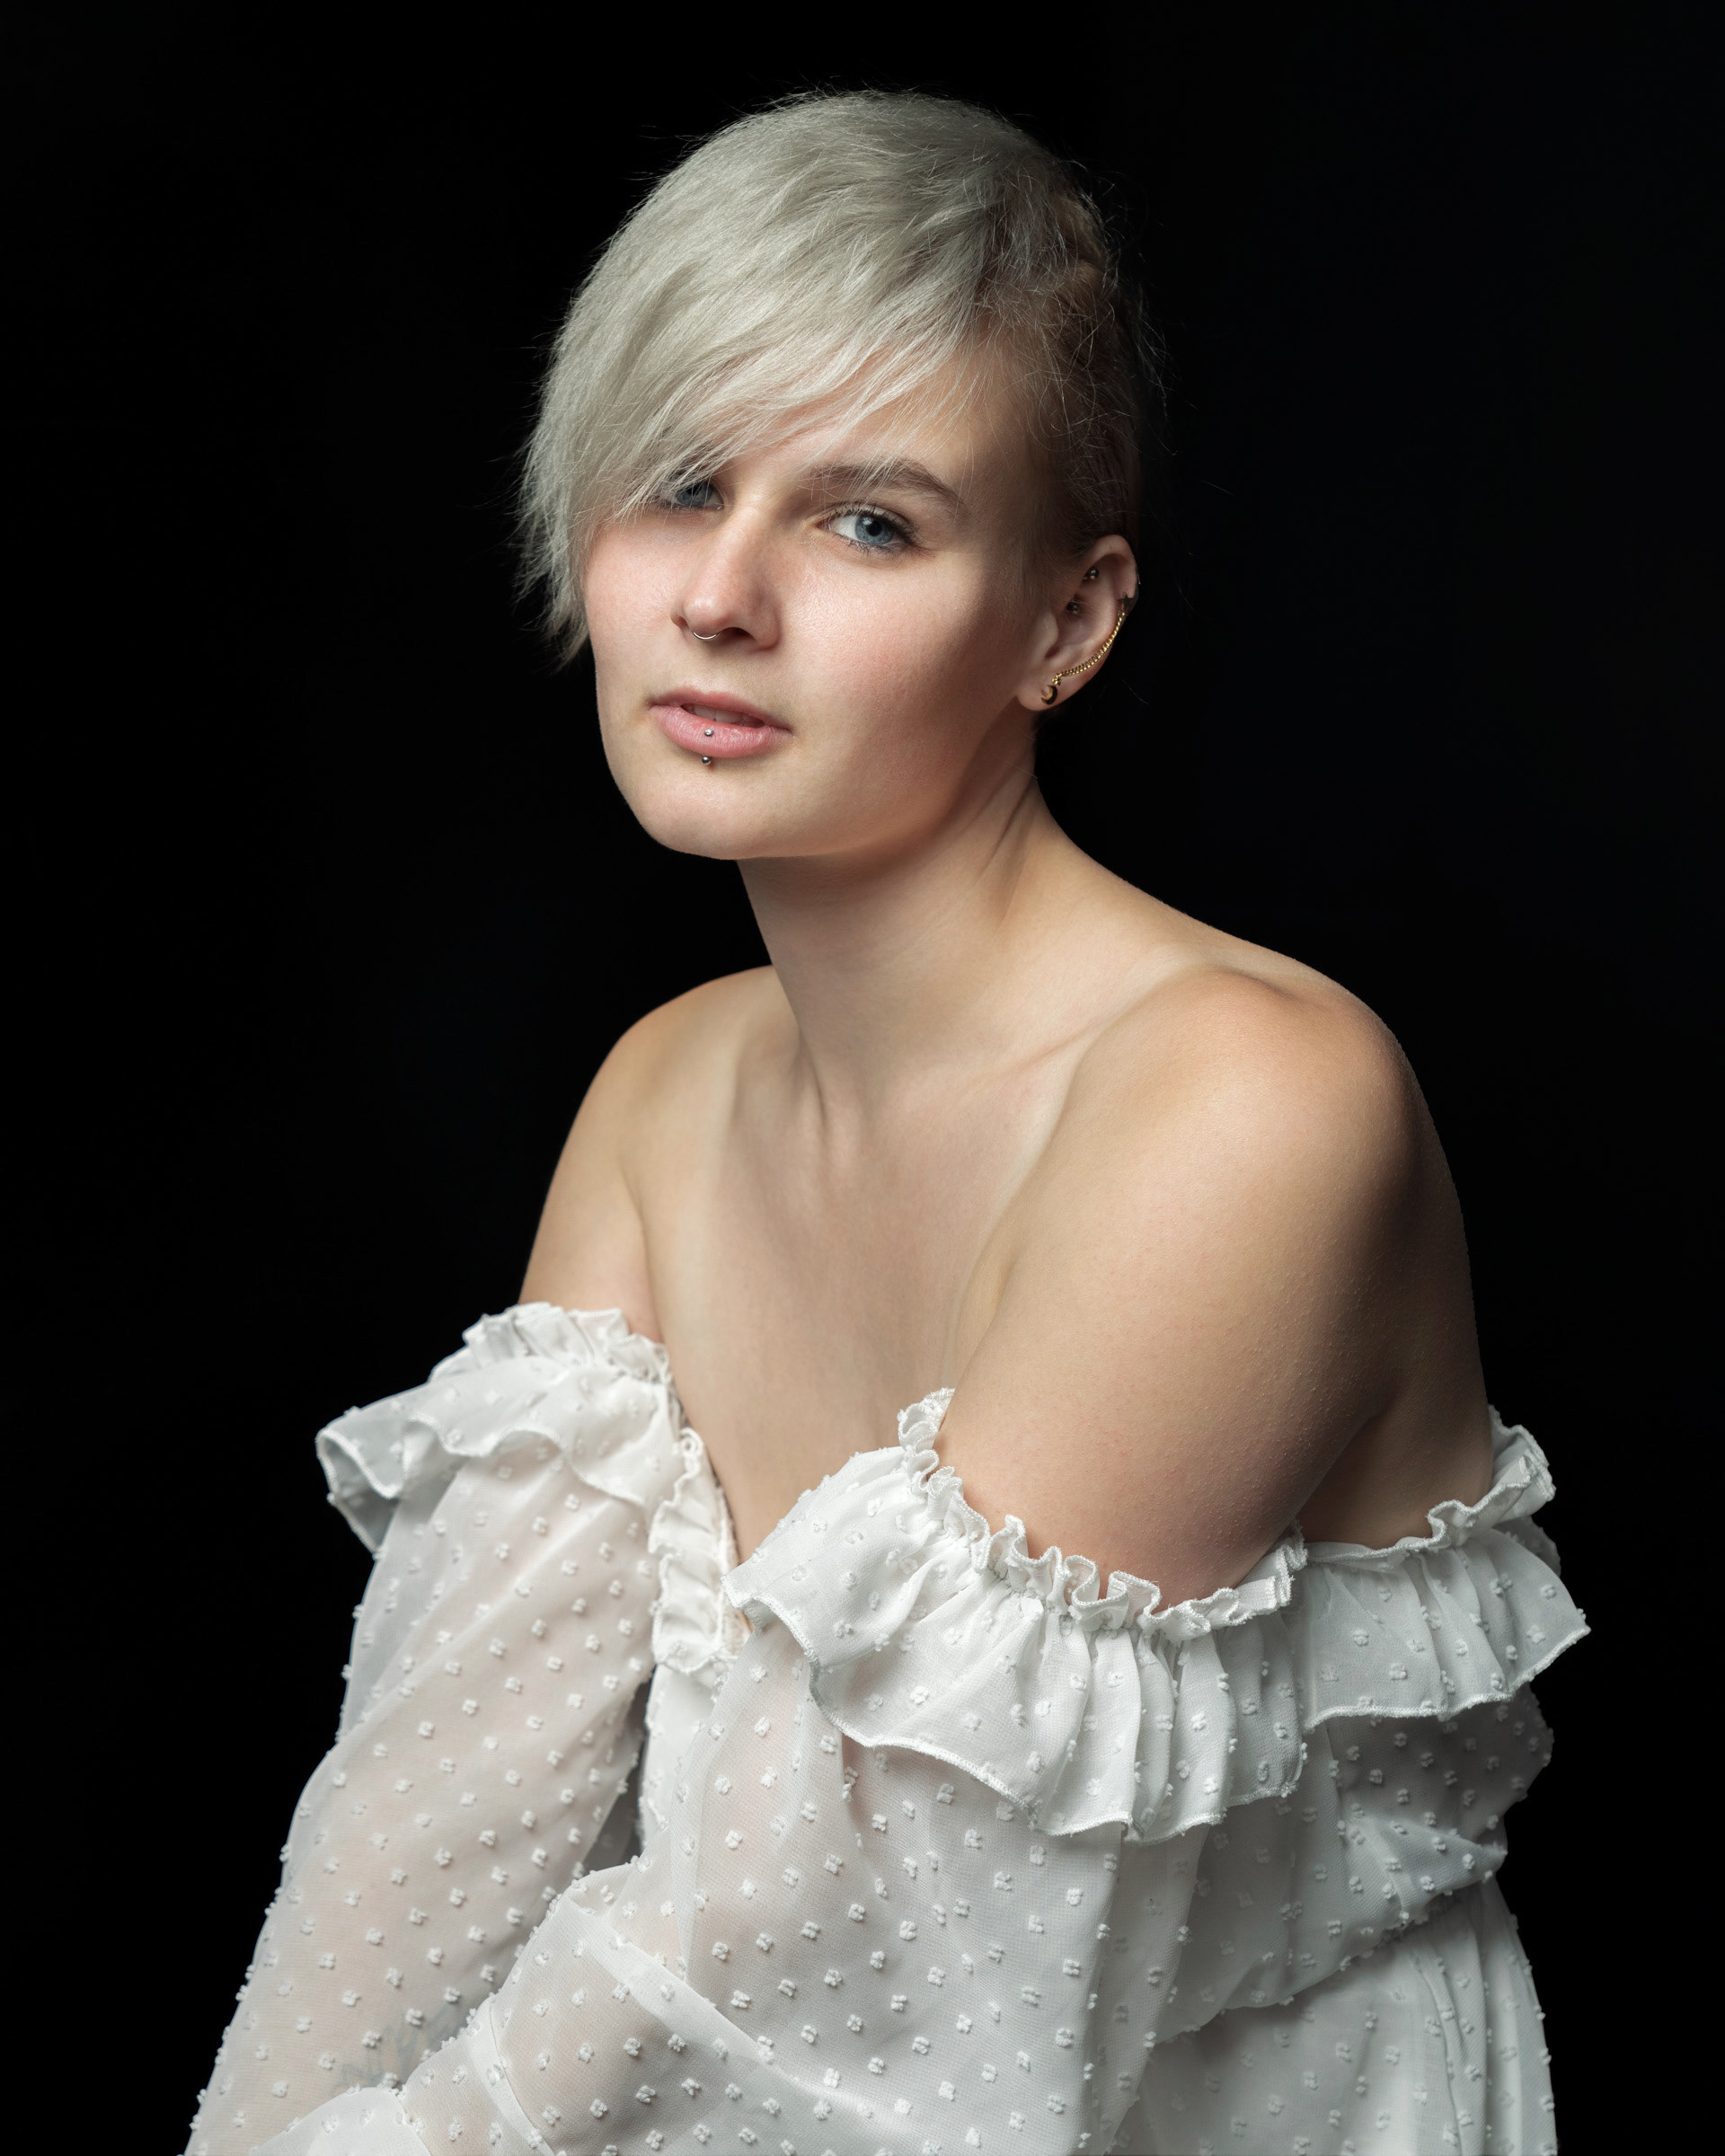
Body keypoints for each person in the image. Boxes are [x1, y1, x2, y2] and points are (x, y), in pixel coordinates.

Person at [189, 91, 1583, 2156]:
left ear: (1066, 622)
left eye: (870, 523)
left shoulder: (1247, 1106)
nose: (721, 596)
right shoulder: (666, 1091)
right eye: (681, 483)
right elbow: (425, 1833)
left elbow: (828, 1965)